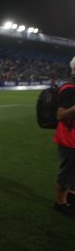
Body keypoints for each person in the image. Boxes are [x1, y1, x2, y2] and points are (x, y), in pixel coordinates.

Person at [53, 56, 75, 218]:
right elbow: (60, 115)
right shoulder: (68, 88)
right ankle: (60, 203)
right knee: (67, 173)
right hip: (69, 139)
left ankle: (71, 196)